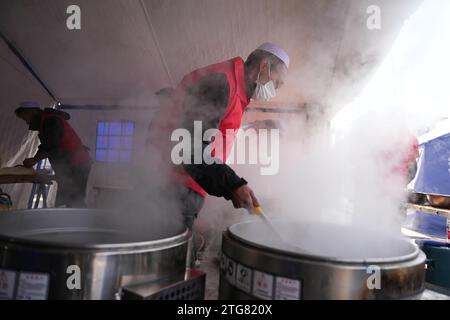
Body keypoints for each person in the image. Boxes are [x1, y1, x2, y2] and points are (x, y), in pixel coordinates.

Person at [148, 43, 289, 233]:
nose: (276, 89)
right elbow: (189, 149)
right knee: (167, 258)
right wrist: (233, 185)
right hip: (172, 186)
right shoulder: (220, 83)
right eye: (277, 82)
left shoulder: (236, 91)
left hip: (186, 183)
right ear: (264, 66)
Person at [14, 102, 92, 207]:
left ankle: (77, 222)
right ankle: (67, 220)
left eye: (26, 118)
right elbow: (45, 145)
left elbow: (52, 147)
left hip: (78, 164)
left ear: (32, 112)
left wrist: (34, 160)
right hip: (71, 165)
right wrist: (34, 159)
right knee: (66, 200)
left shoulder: (51, 121)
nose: (27, 122)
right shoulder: (45, 122)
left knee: (74, 200)